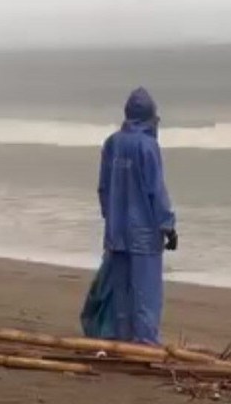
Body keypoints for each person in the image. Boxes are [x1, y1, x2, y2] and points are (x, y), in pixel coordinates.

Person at [98, 86, 178, 345]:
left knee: (121, 293)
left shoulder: (112, 143)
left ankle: (123, 339)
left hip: (116, 232)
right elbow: (156, 190)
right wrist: (168, 225)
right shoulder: (148, 146)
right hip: (143, 233)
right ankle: (145, 343)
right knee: (146, 293)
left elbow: (103, 187)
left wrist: (109, 217)